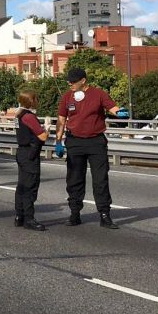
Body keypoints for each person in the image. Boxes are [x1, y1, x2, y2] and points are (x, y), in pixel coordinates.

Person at [54, 67, 129, 229]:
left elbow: (112, 107)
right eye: (69, 81)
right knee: (74, 179)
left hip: (96, 142)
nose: (70, 83)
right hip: (74, 142)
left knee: (100, 179)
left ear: (83, 80)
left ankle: (104, 215)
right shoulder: (67, 97)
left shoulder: (98, 94)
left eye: (73, 81)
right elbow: (61, 120)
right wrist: (58, 141)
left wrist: (120, 112)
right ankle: (75, 213)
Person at [14, 89, 48, 231]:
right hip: (29, 153)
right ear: (31, 101)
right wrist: (47, 128)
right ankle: (29, 218)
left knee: (21, 185)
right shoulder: (29, 117)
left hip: (21, 152)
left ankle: (19, 216)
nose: (37, 101)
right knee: (30, 186)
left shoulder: (18, 114)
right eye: (36, 99)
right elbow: (42, 137)